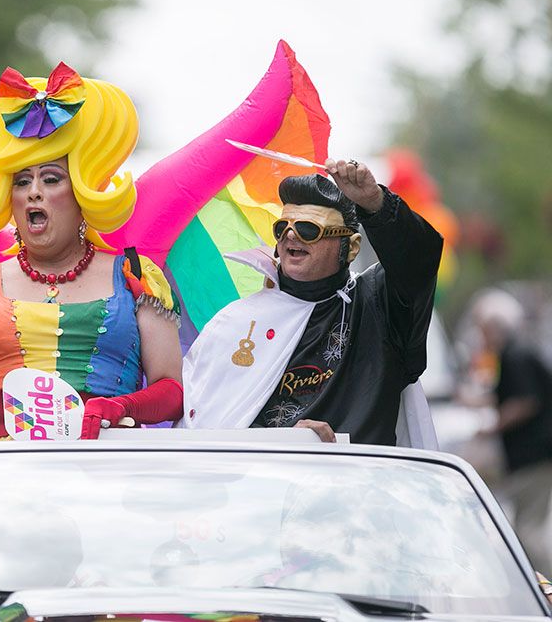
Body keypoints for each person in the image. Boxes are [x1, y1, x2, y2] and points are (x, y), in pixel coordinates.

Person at [0, 63, 183, 440]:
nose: (33, 192)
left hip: (105, 476)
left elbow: (171, 390)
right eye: (22, 180)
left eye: (51, 178)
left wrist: (122, 406)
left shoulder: (136, 277)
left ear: (82, 190)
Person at [183, 159, 443, 445]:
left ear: (351, 247)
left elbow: (419, 260)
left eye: (309, 229)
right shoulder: (234, 324)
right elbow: (207, 428)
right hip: (261, 484)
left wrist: (375, 203)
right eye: (282, 227)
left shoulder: (377, 306)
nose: (291, 235)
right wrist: (282, 441)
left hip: (360, 484)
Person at [472, 289, 552, 575]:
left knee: (529, 531)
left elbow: (525, 402)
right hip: (530, 457)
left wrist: (493, 427)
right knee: (523, 527)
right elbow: (507, 396)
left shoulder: (516, 354)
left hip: (534, 456)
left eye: (483, 331)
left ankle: (545, 591)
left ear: (495, 327)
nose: (482, 339)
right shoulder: (517, 351)